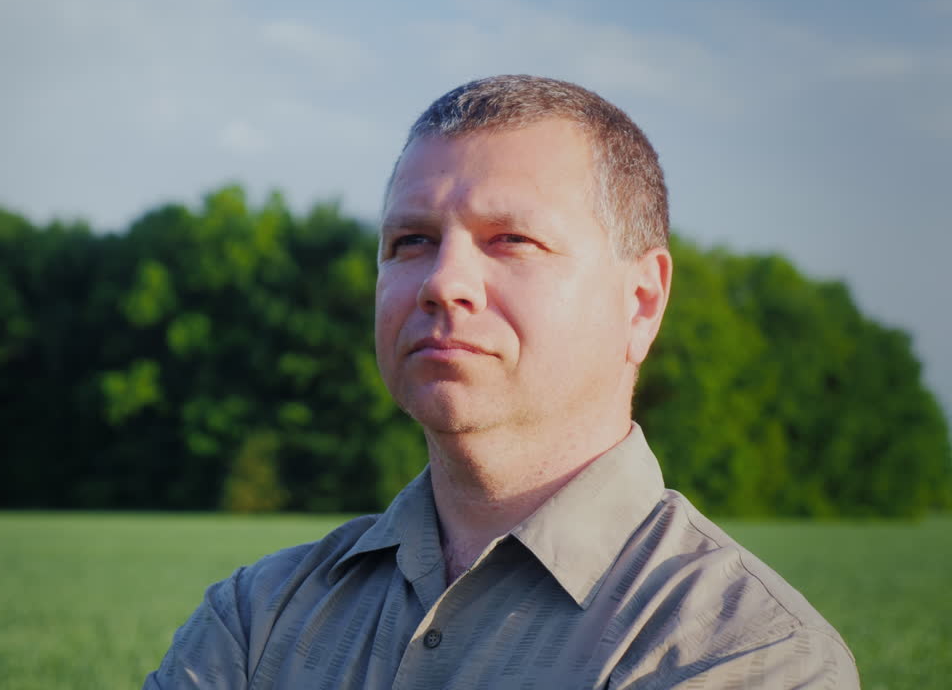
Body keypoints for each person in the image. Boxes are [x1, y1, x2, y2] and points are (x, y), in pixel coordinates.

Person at [144, 75, 858, 689]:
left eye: (511, 239)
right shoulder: (257, 617)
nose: (443, 282)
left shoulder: (748, 653)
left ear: (641, 300)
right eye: (410, 242)